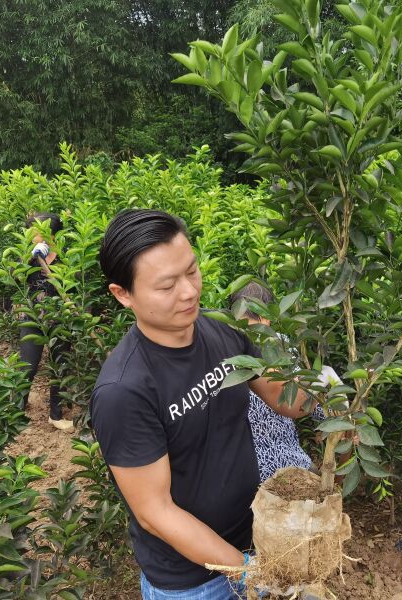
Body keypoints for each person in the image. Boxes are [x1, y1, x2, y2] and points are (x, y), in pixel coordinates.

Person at [90, 209, 326, 600]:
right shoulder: (123, 391)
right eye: (167, 286)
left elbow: (282, 398)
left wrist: (331, 402)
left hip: (255, 540)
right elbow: (156, 513)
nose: (189, 291)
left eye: (192, 271)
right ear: (123, 294)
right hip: (193, 582)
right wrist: (247, 573)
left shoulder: (220, 332)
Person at [230, 282, 327, 483]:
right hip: (285, 466)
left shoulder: (223, 346)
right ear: (268, 314)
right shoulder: (279, 344)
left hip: (250, 471)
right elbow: (310, 399)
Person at [20, 212, 74, 432]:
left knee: (59, 367)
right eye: (30, 234)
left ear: (51, 235)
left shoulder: (67, 257)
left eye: (36, 234)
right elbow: (14, 275)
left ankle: (56, 415)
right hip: (33, 319)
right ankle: (16, 412)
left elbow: (73, 288)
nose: (32, 238)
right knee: (27, 367)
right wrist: (30, 258)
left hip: (60, 320)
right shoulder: (29, 256)